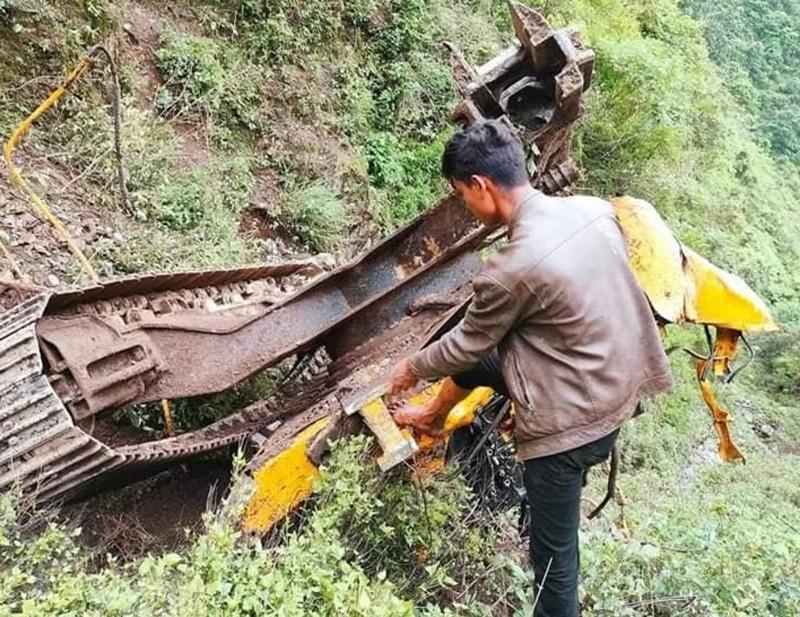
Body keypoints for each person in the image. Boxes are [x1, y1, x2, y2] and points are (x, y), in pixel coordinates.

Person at [387, 119, 673, 617]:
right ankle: (433, 417)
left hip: (574, 423)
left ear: (481, 186)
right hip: (617, 383)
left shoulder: (513, 267)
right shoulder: (592, 210)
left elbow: (464, 345)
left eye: (461, 196)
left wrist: (410, 368)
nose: (466, 207)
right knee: (482, 366)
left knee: (554, 565)